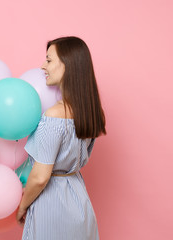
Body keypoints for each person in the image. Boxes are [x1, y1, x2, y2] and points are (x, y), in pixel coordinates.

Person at [16, 36, 107, 240]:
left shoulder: (54, 116)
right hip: (79, 201)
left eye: (49, 60)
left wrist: (22, 207)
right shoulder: (91, 112)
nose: (42, 66)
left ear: (68, 65)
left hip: (52, 205)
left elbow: (40, 177)